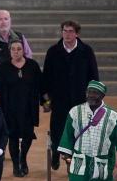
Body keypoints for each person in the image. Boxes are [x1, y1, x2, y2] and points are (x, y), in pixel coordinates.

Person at [42, 20, 99, 169]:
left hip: (80, 99)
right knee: (57, 129)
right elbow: (46, 76)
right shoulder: (53, 51)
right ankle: (56, 151)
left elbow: (93, 75)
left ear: (77, 34)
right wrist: (45, 98)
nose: (67, 34)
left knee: (78, 130)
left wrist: (94, 97)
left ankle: (72, 160)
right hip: (59, 99)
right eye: (65, 31)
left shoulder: (86, 51)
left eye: (70, 31)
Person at [0, 39, 42, 178]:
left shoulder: (32, 65)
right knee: (13, 136)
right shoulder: (4, 67)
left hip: (28, 106)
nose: (16, 52)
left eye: (19, 49)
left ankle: (23, 159)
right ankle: (16, 165)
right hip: (9, 108)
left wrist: (45, 101)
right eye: (13, 49)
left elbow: (40, 85)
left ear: (24, 50)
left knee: (28, 135)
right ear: (9, 51)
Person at [0, 9, 33, 77]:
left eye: (6, 19)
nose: (3, 22)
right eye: (0, 19)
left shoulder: (20, 37)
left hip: (19, 78)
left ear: (10, 21)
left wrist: (21, 69)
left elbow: (28, 55)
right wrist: (6, 71)